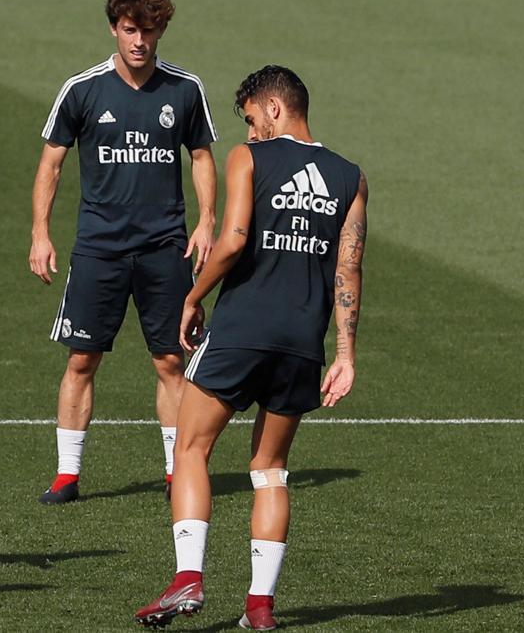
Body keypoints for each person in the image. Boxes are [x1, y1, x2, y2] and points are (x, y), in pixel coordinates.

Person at [135, 66, 368, 630]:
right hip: (301, 345)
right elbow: (350, 266)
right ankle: (259, 609)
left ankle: (188, 579)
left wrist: (193, 296)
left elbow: (234, 238)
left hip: (241, 330)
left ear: (272, 107)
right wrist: (344, 353)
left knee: (190, 448)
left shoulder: (249, 157)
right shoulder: (351, 177)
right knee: (271, 470)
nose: (251, 129)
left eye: (250, 118)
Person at [30, 0, 218, 504]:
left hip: (165, 248)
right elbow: (52, 160)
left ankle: (177, 471)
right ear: (114, 28)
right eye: (130, 29)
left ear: (161, 32)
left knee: (170, 362)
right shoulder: (83, 89)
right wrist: (40, 233)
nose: (139, 41)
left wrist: (207, 222)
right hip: (99, 248)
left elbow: (201, 156)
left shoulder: (184, 89)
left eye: (149, 30)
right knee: (82, 359)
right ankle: (67, 475)